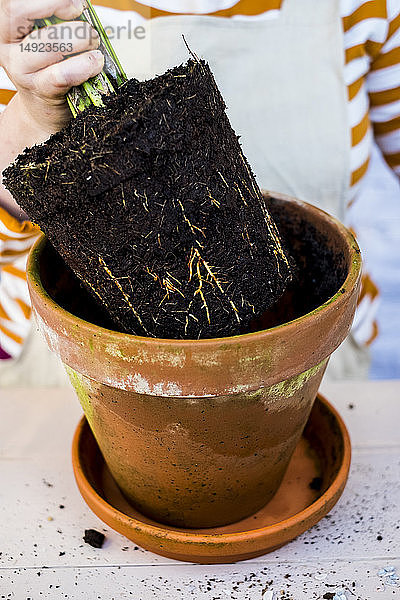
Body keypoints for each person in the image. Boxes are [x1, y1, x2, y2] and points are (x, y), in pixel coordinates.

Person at [0, 0, 398, 386]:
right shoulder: (29, 18)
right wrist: (31, 118)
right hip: (86, 371)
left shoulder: (362, 7)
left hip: (316, 352)